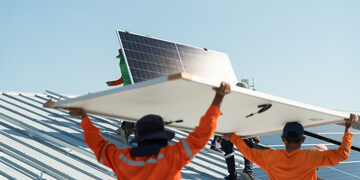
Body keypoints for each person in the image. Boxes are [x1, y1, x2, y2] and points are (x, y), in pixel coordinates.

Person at [65, 81, 231, 180]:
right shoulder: (171, 157)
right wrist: (218, 98)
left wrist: (84, 117)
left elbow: (97, 144)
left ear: (139, 137)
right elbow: (202, 135)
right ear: (162, 137)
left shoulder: (121, 159)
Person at [223, 114, 358, 180]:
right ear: (303, 140)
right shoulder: (311, 157)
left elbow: (248, 152)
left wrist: (233, 137)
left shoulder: (269, 157)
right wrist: (348, 127)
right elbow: (343, 154)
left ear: (283, 138)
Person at [220, 81, 258, 180]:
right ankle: (248, 172)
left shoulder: (229, 100)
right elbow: (253, 120)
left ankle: (233, 174)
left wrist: (220, 135)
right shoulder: (249, 102)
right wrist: (255, 135)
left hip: (229, 131)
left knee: (229, 152)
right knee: (248, 151)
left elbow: (222, 117)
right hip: (243, 131)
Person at [106, 48, 135, 143]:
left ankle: (124, 128)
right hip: (133, 89)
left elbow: (121, 79)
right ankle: (127, 128)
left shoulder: (123, 64)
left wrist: (112, 83)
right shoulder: (130, 65)